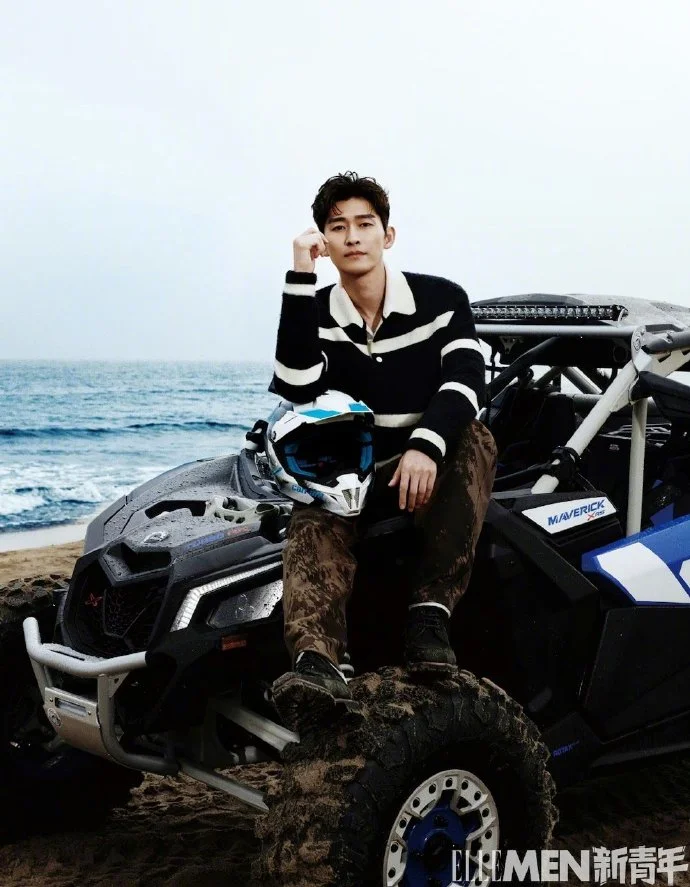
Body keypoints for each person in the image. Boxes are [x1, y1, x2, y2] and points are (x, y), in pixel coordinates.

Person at [269, 172, 497, 729]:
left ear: (387, 236)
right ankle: (317, 663)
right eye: (337, 227)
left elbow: (468, 381)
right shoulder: (315, 307)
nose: (352, 237)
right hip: (357, 473)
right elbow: (296, 386)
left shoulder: (442, 299)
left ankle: (429, 617)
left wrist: (425, 445)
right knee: (311, 509)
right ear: (324, 241)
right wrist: (300, 277)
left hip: (431, 466)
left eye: (365, 224)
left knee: (475, 438)